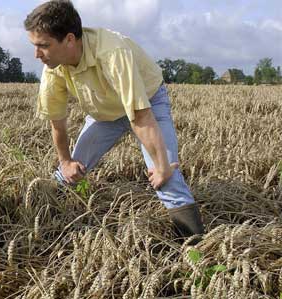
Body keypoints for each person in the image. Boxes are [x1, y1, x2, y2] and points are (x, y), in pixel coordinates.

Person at [24, 0, 204, 239]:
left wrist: (161, 166)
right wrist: (66, 161)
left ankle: (197, 251)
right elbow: (57, 122)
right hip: (104, 115)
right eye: (34, 46)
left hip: (149, 104)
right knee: (68, 172)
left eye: (43, 46)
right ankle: (41, 227)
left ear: (69, 39)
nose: (36, 54)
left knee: (167, 177)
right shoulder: (53, 67)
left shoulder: (112, 51)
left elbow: (140, 115)